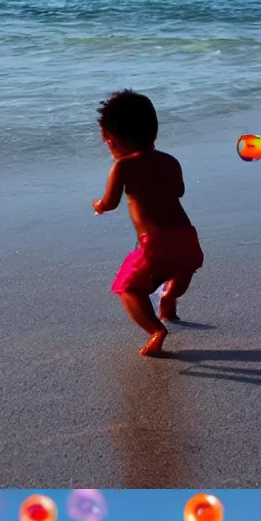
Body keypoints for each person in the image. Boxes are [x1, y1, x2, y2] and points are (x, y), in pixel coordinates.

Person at [93, 89, 206, 357]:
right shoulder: (171, 161)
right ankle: (168, 300)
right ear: (154, 133)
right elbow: (178, 191)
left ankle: (156, 329)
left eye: (108, 142)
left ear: (113, 141)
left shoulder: (123, 167)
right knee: (179, 270)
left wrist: (98, 205)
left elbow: (109, 203)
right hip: (188, 239)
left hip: (155, 244)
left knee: (127, 288)